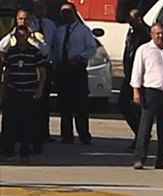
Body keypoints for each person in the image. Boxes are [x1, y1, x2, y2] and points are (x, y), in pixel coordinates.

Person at [130, 22, 163, 170]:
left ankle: (161, 160)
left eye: (162, 33)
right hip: (150, 92)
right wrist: (136, 91)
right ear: (152, 34)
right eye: (157, 33)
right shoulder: (144, 50)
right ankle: (139, 159)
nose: (160, 36)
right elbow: (137, 71)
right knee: (145, 128)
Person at [1, 25, 47, 163]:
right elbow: (6, 73)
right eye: (18, 36)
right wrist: (3, 91)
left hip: (29, 92)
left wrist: (39, 89)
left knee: (28, 123)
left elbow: (42, 72)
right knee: (10, 122)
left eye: (23, 35)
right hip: (13, 91)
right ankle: (8, 150)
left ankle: (25, 151)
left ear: (28, 36)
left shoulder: (35, 52)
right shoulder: (11, 52)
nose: (21, 38)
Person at [53, 2, 96, 144]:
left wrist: (80, 57)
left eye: (68, 12)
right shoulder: (59, 31)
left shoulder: (83, 30)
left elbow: (91, 49)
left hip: (77, 69)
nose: (65, 15)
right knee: (64, 104)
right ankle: (67, 136)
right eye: (63, 12)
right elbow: (55, 49)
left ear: (74, 13)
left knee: (80, 105)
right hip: (62, 70)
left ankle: (84, 135)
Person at [120, 8, 150, 151]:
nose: (130, 23)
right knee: (124, 105)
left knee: (137, 107)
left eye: (132, 20)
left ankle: (142, 136)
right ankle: (140, 134)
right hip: (129, 75)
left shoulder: (145, 33)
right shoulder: (132, 31)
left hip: (139, 76)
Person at [30, 0, 58, 151]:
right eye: (37, 7)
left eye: (42, 7)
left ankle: (44, 133)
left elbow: (54, 45)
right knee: (32, 101)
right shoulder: (29, 23)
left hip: (46, 65)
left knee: (44, 101)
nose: (40, 10)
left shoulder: (50, 24)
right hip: (31, 65)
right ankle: (31, 132)